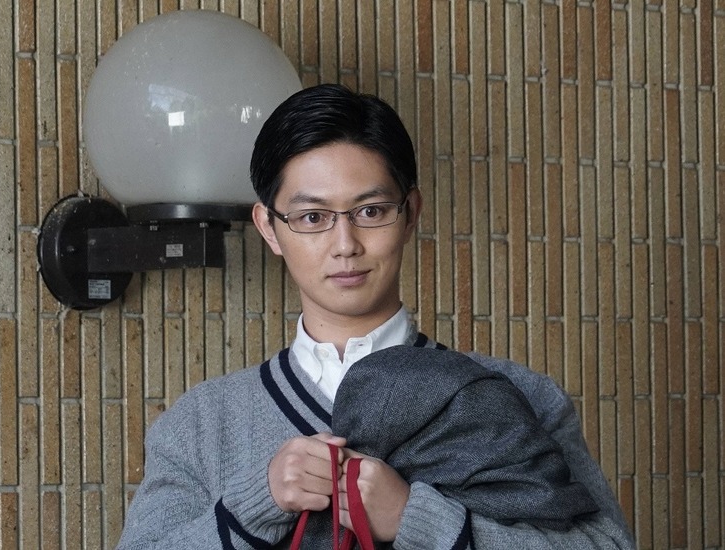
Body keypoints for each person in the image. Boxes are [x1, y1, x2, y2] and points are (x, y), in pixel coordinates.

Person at [116, 84, 635, 549]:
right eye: (312, 217)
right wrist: (257, 503)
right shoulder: (202, 423)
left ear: (410, 213)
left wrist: (418, 519)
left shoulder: (520, 395)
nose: (345, 244)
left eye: (370, 211)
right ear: (270, 228)